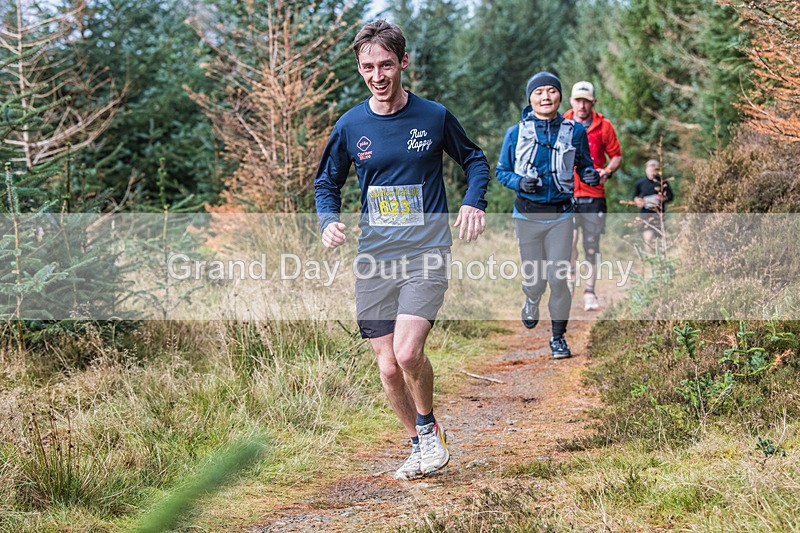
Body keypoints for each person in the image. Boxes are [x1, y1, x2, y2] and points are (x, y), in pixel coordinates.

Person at [314, 20, 490, 481]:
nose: (378, 75)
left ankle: (429, 431)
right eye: (368, 67)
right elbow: (326, 182)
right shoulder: (351, 125)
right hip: (375, 258)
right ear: (359, 68)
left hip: (426, 252)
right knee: (389, 366)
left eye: (386, 65)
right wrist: (328, 220)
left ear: (403, 62)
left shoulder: (433, 116)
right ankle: (417, 442)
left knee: (409, 353)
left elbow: (475, 160)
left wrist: (473, 201)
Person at [496, 72, 598, 359]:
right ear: (530, 98)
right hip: (527, 217)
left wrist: (589, 175)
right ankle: (531, 297)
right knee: (535, 281)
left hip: (561, 216)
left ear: (560, 96)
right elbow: (501, 171)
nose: (545, 97)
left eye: (551, 91)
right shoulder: (515, 133)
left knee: (557, 278)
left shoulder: (575, 132)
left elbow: (585, 167)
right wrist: (519, 182)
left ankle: (558, 338)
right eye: (538, 92)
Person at [563, 81, 622, 310]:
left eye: (586, 101)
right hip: (566, 192)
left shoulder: (604, 126)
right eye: (578, 100)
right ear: (571, 101)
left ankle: (590, 292)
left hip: (593, 194)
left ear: (593, 102)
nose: (582, 105)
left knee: (591, 245)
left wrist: (607, 171)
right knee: (568, 241)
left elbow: (616, 155)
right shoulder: (562, 122)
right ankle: (569, 278)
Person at [632, 159, 674, 254]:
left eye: (655, 169)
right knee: (648, 238)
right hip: (645, 214)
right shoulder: (640, 183)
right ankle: (650, 258)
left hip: (659, 214)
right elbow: (635, 196)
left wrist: (662, 198)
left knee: (659, 239)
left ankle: (661, 258)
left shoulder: (662, 182)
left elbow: (670, 196)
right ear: (646, 169)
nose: (652, 171)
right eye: (650, 169)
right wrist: (638, 201)